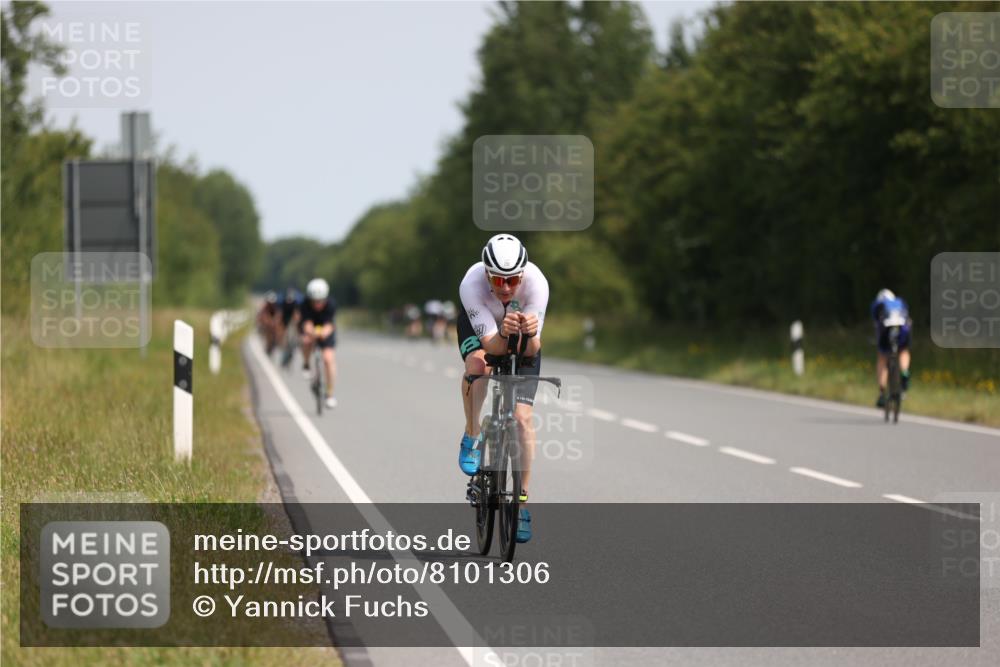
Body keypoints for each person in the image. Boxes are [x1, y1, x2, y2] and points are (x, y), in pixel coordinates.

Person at [456, 234, 548, 543]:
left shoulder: (537, 283)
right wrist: (503, 333)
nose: (506, 287)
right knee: (478, 367)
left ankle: (521, 502)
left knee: (522, 419)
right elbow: (492, 345)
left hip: (521, 339)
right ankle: (472, 434)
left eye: (512, 280)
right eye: (497, 279)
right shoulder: (471, 285)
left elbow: (532, 350)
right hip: (483, 330)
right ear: (486, 273)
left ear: (522, 274)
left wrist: (528, 332)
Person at [870, 288, 912, 407]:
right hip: (902, 327)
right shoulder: (900, 302)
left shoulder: (877, 304)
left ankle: (882, 393)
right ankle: (905, 373)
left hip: (886, 329)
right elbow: (907, 316)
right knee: (903, 350)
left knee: (882, 357)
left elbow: (876, 325)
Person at [300, 278, 338, 409]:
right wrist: (311, 333)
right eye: (314, 301)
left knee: (328, 359)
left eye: (320, 301)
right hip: (311, 329)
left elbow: (330, 324)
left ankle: (330, 394)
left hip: (326, 330)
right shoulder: (304, 304)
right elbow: (306, 323)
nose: (317, 304)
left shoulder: (331, 304)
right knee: (305, 341)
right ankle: (306, 364)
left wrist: (322, 334)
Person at [279, 287, 302, 368]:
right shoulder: (283, 302)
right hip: (285, 321)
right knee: (284, 337)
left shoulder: (296, 303)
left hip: (292, 321)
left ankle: (295, 344)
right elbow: (281, 314)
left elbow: (297, 314)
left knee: (295, 334)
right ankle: (284, 347)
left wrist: (296, 321)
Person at [257, 291, 280, 355]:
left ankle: (277, 340)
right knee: (267, 328)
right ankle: (268, 342)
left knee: (278, 327)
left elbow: (278, 315)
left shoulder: (276, 306)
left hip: (273, 319)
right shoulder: (265, 306)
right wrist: (267, 321)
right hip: (267, 320)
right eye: (270, 303)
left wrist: (275, 321)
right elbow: (263, 315)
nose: (271, 304)